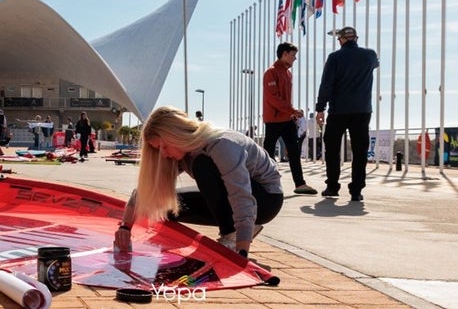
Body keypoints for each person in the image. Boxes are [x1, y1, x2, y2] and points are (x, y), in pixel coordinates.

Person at [113, 106, 283, 259]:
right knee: (166, 209)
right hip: (239, 196)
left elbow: (241, 195)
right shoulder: (181, 152)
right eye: (159, 149)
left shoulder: (221, 144)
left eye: (163, 147)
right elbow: (148, 188)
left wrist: (242, 251)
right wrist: (125, 228)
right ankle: (241, 229)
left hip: (266, 200)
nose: (163, 154)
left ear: (177, 135)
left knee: (202, 164)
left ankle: (231, 234)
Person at [315, 27, 379, 202]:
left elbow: (326, 84)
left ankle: (333, 186)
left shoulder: (335, 57)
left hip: (339, 110)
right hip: (362, 110)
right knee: (360, 151)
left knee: (332, 148)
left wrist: (320, 108)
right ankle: (357, 190)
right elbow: (376, 63)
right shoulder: (370, 55)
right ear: (355, 38)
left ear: (341, 40)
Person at [262, 42, 317, 195]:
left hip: (287, 119)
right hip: (273, 120)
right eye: (293, 55)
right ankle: (265, 183)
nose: (295, 58)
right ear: (284, 54)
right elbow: (272, 98)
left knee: (294, 151)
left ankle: (300, 184)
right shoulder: (271, 73)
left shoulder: (288, 73)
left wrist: (291, 113)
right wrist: (292, 110)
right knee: (268, 153)